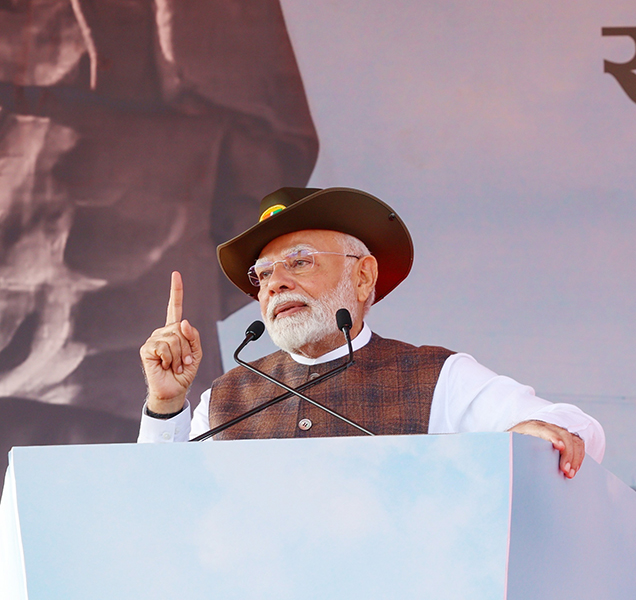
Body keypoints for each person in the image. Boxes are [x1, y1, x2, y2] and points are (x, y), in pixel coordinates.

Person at [138, 187, 605, 478]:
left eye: (299, 261)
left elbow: (579, 431)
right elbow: (156, 501)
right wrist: (165, 403)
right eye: (263, 274)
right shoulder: (226, 396)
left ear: (362, 277)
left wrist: (528, 438)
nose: (275, 282)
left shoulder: (436, 377)